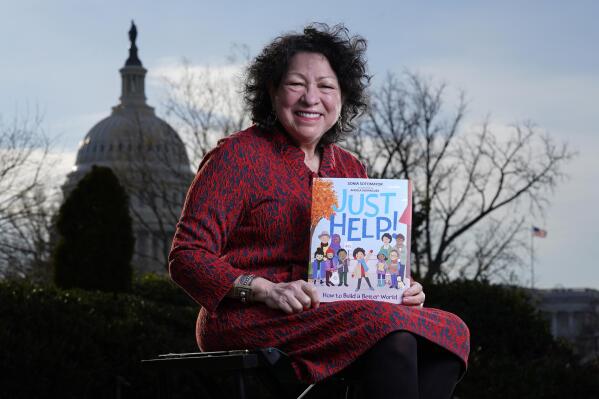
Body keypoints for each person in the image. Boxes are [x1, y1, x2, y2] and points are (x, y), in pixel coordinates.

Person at [169, 23, 469, 399]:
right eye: (296, 84)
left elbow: (367, 260)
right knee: (390, 333)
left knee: (451, 330)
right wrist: (264, 289)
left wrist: (397, 289)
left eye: (326, 86)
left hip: (341, 313)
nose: (311, 98)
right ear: (272, 91)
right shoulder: (238, 156)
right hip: (250, 312)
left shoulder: (348, 167)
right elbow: (187, 257)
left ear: (343, 97)